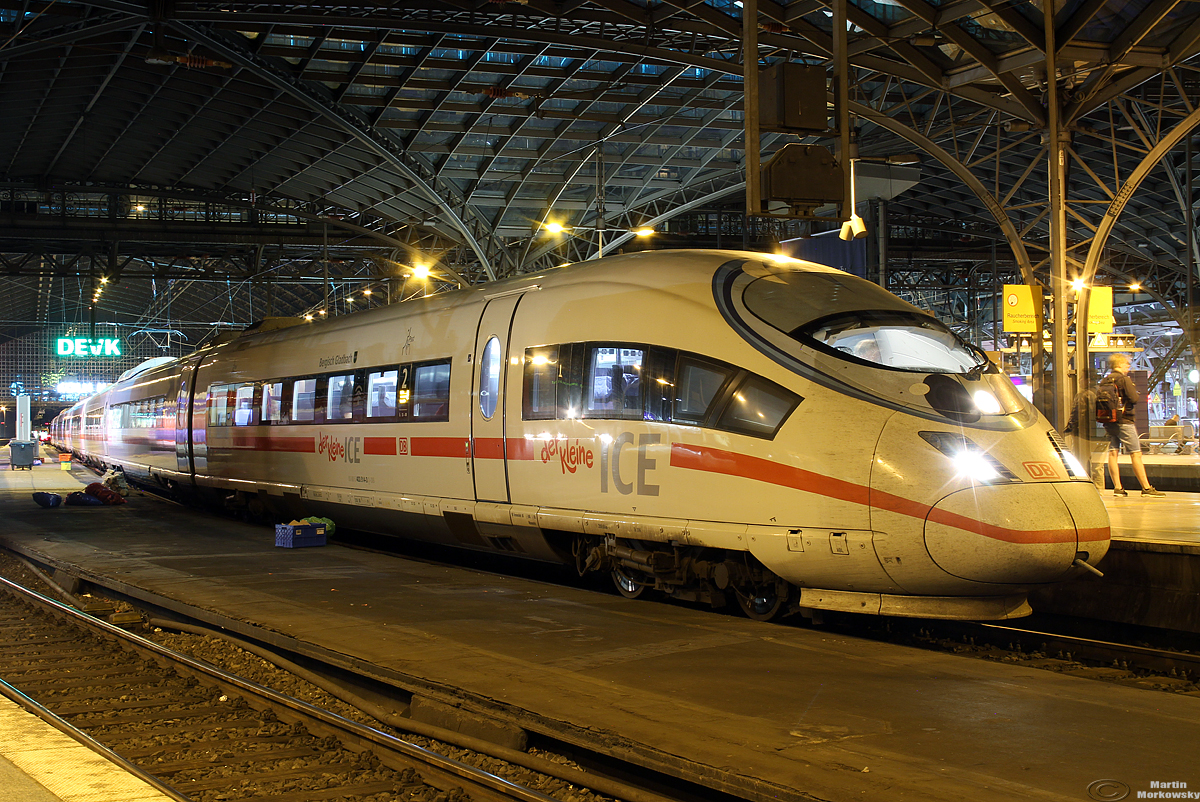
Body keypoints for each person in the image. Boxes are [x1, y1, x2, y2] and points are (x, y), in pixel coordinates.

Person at [1100, 353, 1164, 497]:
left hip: (1108, 421)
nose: (1128, 366)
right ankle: (1146, 488)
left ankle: (1118, 488)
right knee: (1136, 453)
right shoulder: (1124, 379)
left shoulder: (1105, 380)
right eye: (1126, 364)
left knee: (1113, 453)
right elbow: (1134, 398)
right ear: (1119, 364)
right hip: (1124, 420)